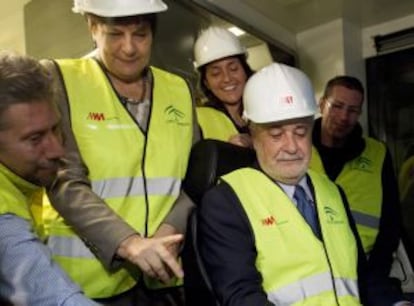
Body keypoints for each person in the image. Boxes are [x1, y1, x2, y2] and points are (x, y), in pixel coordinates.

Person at [42, 0, 198, 304]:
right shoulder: (60, 79)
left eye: (140, 34)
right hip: (86, 287)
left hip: (164, 280)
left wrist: (171, 230)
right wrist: (129, 243)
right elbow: (64, 179)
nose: (129, 48)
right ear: (92, 27)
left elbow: (192, 177)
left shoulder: (179, 89)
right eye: (115, 34)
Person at [197, 63, 368, 305]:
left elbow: (362, 276)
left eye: (300, 132)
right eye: (276, 134)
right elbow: (241, 297)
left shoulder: (332, 191)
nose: (291, 146)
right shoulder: (225, 201)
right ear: (252, 135)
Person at [0, 51, 97, 306]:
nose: (57, 151)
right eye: (35, 139)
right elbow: (49, 293)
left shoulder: (20, 179)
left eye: (56, 129)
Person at [309, 75, 408, 304]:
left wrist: (375, 271)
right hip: (313, 269)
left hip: (367, 270)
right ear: (322, 104)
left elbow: (390, 221)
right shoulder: (298, 147)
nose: (344, 117)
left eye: (353, 110)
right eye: (337, 106)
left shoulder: (377, 153)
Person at [193, 26, 254, 147]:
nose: (227, 78)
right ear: (206, 83)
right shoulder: (198, 120)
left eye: (233, 68)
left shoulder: (266, 111)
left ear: (245, 71)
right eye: (216, 73)